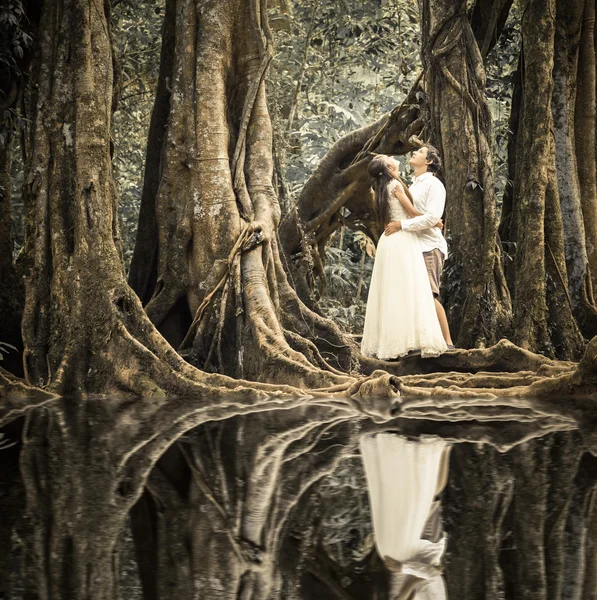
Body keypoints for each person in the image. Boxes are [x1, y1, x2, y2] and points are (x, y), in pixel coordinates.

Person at [360, 154, 447, 359]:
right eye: (388, 158)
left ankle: (393, 342)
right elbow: (411, 212)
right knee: (412, 290)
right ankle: (421, 341)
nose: (392, 157)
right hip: (402, 239)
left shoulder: (380, 189)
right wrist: (434, 221)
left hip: (389, 241)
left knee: (393, 291)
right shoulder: (395, 187)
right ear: (388, 167)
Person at [384, 146, 454, 349]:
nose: (414, 153)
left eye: (420, 152)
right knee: (414, 295)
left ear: (429, 161)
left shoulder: (433, 184)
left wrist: (401, 225)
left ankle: (448, 343)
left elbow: (433, 217)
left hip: (429, 246)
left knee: (428, 294)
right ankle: (421, 343)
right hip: (412, 246)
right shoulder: (413, 186)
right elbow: (415, 213)